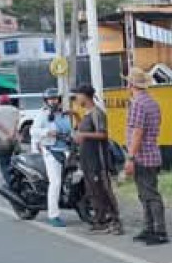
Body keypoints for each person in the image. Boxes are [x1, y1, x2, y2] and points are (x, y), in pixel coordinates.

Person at [124, 67, 168, 245]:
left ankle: (159, 230)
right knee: (146, 193)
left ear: (130, 84)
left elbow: (137, 132)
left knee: (149, 194)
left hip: (142, 155)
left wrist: (130, 157)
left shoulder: (138, 104)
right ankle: (150, 228)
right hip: (152, 153)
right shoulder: (152, 102)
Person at [73, 84, 122, 235]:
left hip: (98, 161)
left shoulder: (97, 113)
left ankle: (115, 222)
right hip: (87, 161)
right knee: (93, 192)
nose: (76, 98)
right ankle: (100, 221)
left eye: (78, 95)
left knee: (104, 191)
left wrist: (84, 136)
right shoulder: (87, 114)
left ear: (85, 96)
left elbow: (103, 135)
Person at [31, 88, 72, 228]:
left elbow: (71, 129)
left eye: (55, 98)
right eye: (51, 99)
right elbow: (33, 131)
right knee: (55, 182)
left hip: (67, 151)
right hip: (51, 151)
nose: (53, 101)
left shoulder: (65, 114)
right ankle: (53, 215)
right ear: (46, 101)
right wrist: (47, 132)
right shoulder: (42, 115)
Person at [0, 94, 20, 185]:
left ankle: (10, 181)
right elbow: (16, 123)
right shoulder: (15, 110)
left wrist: (7, 134)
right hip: (14, 140)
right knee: (16, 162)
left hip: (3, 140)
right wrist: (13, 134)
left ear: (0, 102)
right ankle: (17, 179)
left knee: (4, 162)